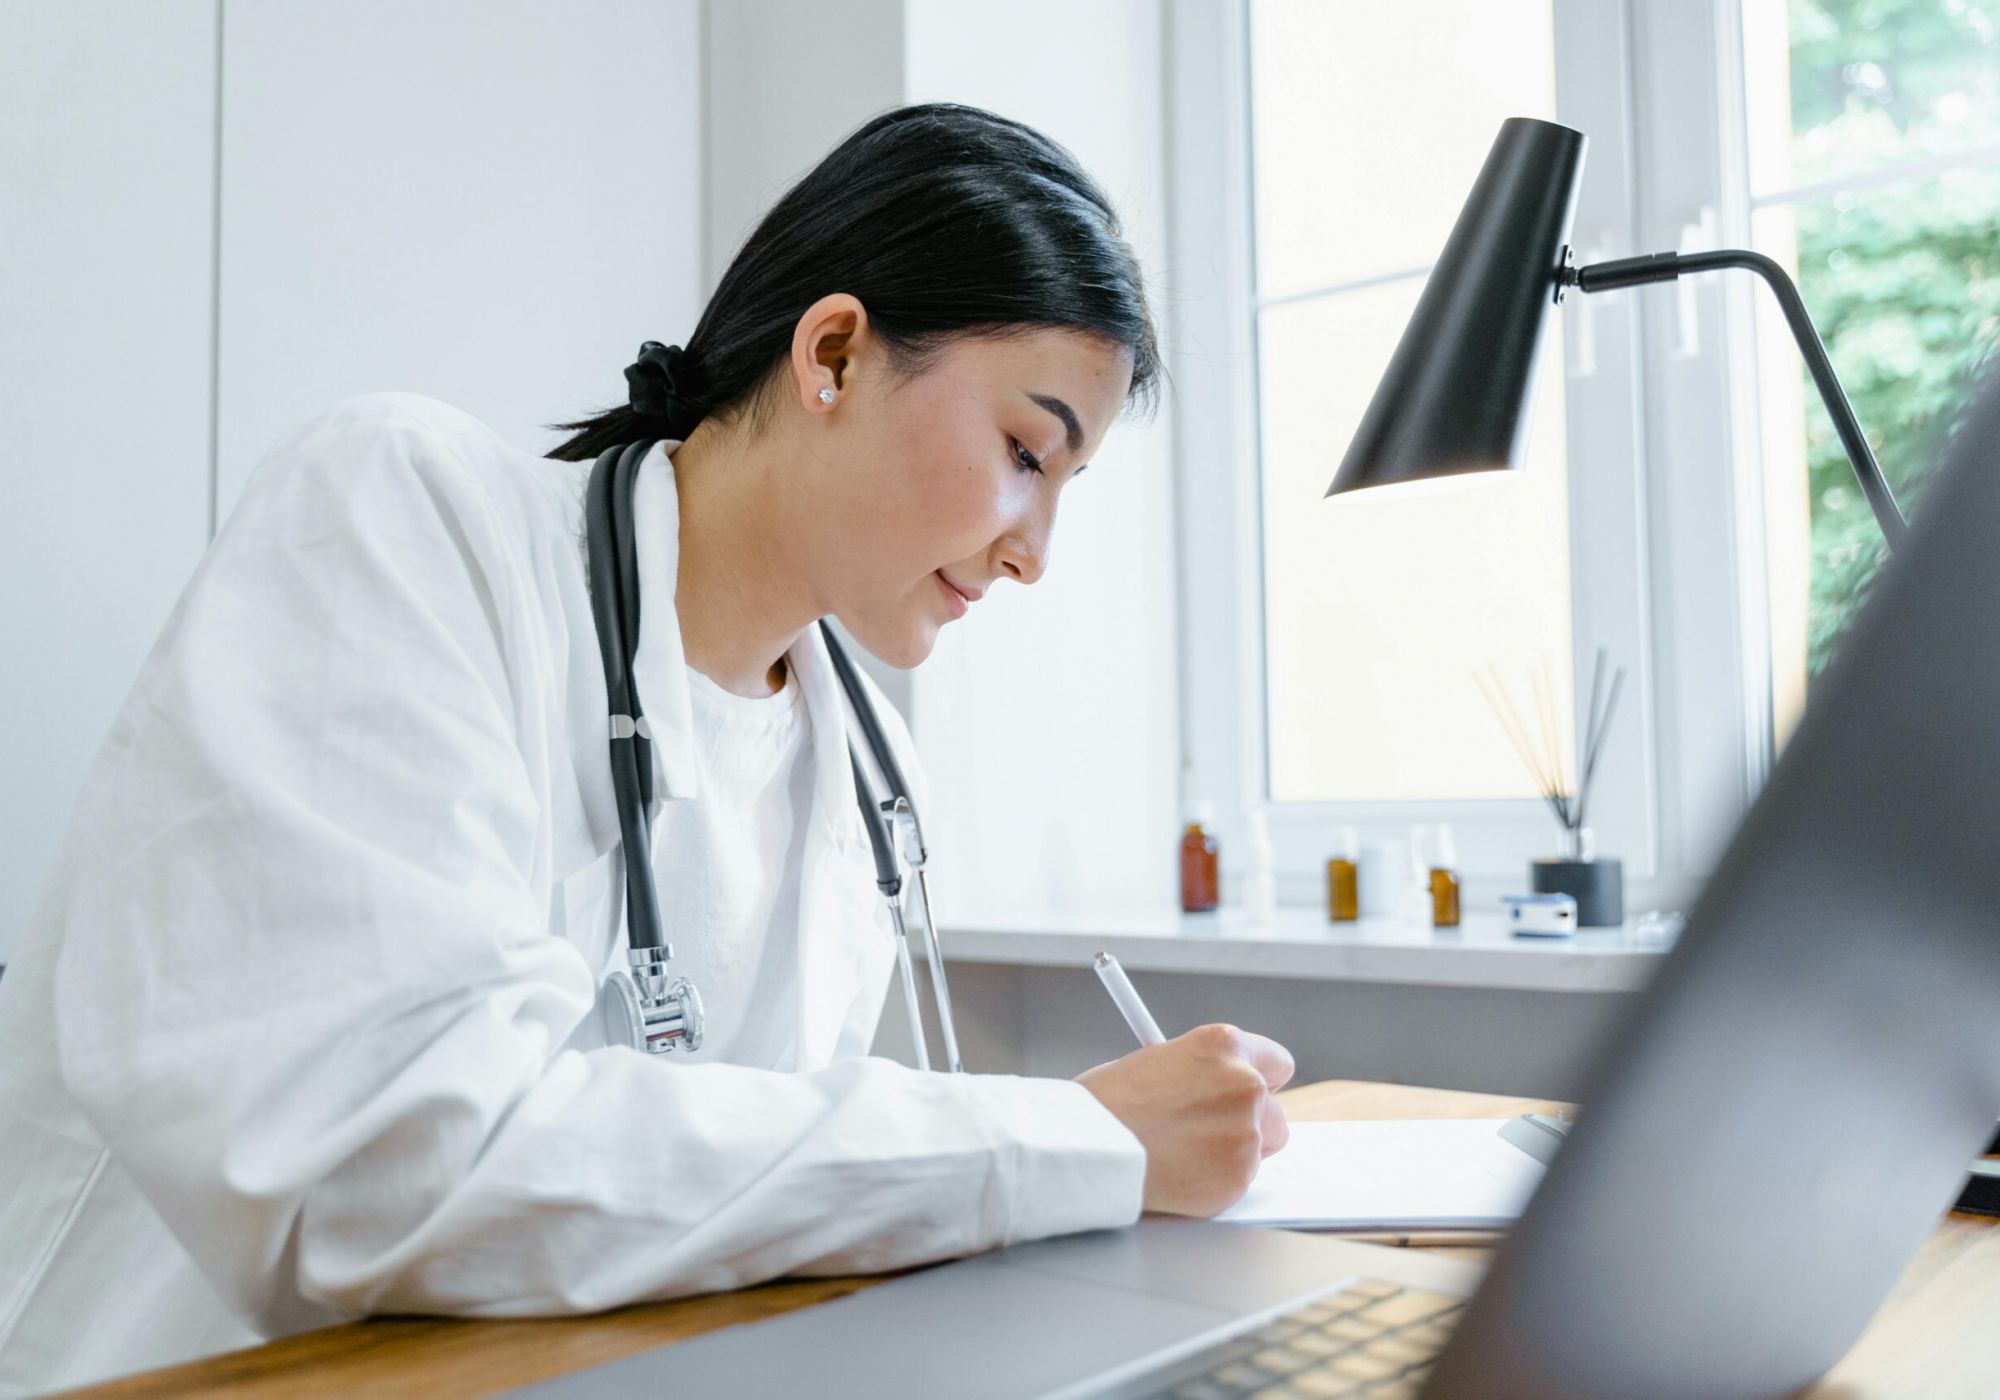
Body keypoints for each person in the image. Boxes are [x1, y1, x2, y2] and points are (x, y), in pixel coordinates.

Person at [0, 102, 1293, 1396]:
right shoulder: (404, 516)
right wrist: (1067, 1137)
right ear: (834, 352)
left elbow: (719, 1217)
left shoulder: (851, 768)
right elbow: (400, 1170)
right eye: (1025, 454)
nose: (1033, 553)